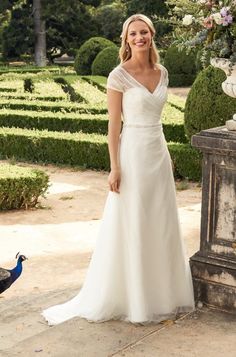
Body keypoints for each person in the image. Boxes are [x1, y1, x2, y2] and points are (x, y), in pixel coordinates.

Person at [42, 13, 195, 326]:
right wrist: (115, 168)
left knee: (161, 221)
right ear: (126, 40)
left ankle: (163, 294)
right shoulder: (118, 75)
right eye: (133, 34)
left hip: (158, 152)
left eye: (144, 33)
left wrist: (167, 155)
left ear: (152, 36)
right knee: (135, 221)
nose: (139, 38)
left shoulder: (162, 72)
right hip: (133, 154)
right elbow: (113, 127)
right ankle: (136, 298)